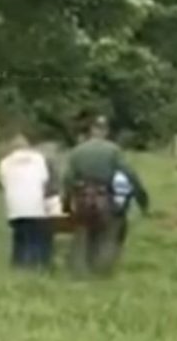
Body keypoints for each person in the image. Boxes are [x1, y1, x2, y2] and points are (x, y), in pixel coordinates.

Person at [62, 116, 149, 276]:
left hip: (82, 198)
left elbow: (68, 179)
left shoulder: (78, 151)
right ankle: (102, 269)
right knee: (110, 229)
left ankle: (82, 269)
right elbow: (129, 174)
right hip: (103, 197)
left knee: (85, 232)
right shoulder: (113, 150)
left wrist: (66, 203)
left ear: (91, 131)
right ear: (106, 131)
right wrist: (142, 198)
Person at [0, 134, 53, 270]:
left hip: (15, 209)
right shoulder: (39, 159)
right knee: (36, 238)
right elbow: (45, 180)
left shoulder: (4, 163)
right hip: (35, 207)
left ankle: (17, 265)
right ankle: (36, 266)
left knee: (19, 238)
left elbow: (4, 184)